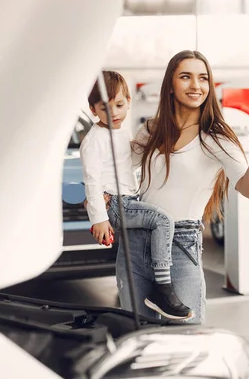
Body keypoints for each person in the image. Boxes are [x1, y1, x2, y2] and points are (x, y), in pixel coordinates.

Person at [116, 50, 249, 324]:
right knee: (137, 337)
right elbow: (120, 170)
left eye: (203, 78)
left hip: (180, 245)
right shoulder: (152, 130)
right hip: (135, 242)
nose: (196, 85)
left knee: (185, 338)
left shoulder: (216, 138)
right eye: (185, 77)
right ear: (170, 86)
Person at [80, 70, 193, 320]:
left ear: (129, 101)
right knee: (162, 220)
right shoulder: (94, 140)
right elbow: (92, 179)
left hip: (128, 200)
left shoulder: (121, 132)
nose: (114, 113)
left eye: (119, 105)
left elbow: (128, 164)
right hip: (115, 204)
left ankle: (154, 287)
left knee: (154, 228)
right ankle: (162, 289)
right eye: (104, 108)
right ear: (92, 109)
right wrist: (98, 218)